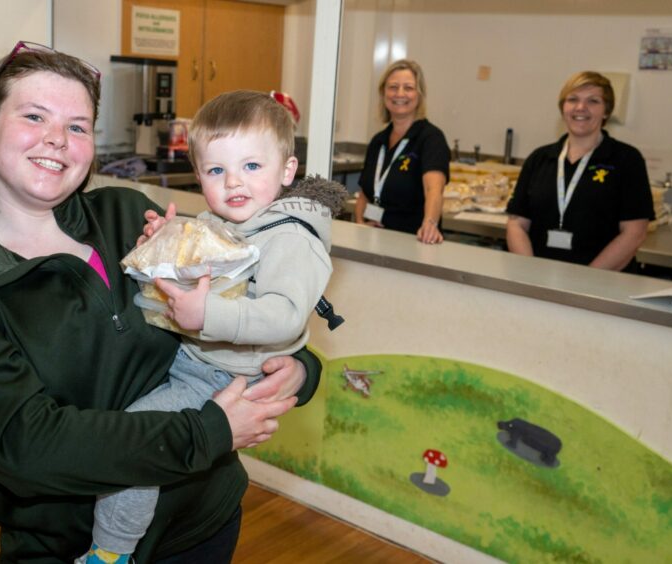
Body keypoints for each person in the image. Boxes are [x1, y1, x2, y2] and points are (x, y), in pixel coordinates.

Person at [0, 42, 322, 563]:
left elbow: (250, 297)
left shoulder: (128, 216)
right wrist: (208, 431)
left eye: (77, 126)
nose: (57, 138)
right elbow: (27, 445)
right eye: (34, 116)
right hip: (70, 549)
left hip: (202, 523)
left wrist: (300, 368)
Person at [81, 90, 347, 564]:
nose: (233, 183)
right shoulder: (221, 221)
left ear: (287, 171)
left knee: (137, 443)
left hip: (223, 378)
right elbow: (192, 277)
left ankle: (110, 553)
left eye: (251, 166)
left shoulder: (291, 238)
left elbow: (285, 314)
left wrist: (210, 317)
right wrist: (162, 245)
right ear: (198, 175)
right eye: (217, 171)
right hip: (196, 361)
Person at [505, 71, 654, 271]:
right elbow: (517, 224)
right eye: (572, 99)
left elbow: (634, 233)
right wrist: (530, 273)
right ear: (563, 108)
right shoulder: (539, 159)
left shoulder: (626, 160)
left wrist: (587, 281)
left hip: (600, 285)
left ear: (607, 111)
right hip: (540, 279)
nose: (580, 107)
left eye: (593, 101)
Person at [355, 59, 449, 244]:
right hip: (372, 241)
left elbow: (433, 189)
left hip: (413, 242)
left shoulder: (431, 138)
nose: (399, 93)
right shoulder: (378, 141)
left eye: (408, 87)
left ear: (419, 94)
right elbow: (365, 193)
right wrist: (359, 223)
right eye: (393, 87)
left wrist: (430, 224)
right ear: (383, 93)